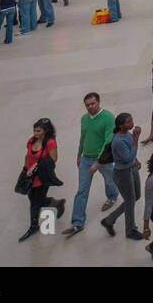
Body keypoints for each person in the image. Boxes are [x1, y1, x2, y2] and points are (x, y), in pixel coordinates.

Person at [61, 92, 118, 237]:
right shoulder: (84, 119)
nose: (90, 107)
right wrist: (79, 154)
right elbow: (83, 137)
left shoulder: (108, 118)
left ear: (99, 102)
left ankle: (112, 196)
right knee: (82, 190)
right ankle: (77, 222)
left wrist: (98, 162)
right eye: (87, 105)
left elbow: (108, 141)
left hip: (103, 159)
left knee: (110, 180)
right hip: (86, 158)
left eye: (93, 104)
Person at [19, 118, 65, 242]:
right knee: (33, 198)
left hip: (42, 176)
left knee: (35, 201)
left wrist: (36, 166)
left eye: (38, 131)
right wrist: (25, 169)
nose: (35, 133)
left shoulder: (50, 143)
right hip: (30, 176)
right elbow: (27, 155)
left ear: (45, 131)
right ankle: (56, 203)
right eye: (34, 130)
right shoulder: (31, 141)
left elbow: (53, 159)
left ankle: (33, 225)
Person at [101, 113, 144, 241]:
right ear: (120, 126)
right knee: (130, 200)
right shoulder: (118, 141)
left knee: (136, 196)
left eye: (131, 120)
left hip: (132, 168)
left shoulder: (127, 134)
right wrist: (136, 137)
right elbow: (127, 158)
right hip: (123, 173)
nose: (131, 123)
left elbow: (131, 151)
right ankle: (130, 230)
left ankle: (109, 220)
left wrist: (135, 160)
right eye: (128, 122)